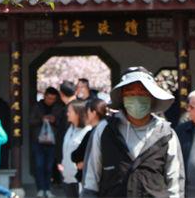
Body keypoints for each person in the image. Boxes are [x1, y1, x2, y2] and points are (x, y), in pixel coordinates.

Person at [82, 66, 184, 198]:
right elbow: (90, 180)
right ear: (122, 98)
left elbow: (175, 185)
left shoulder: (166, 134)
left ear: (152, 97)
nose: (136, 98)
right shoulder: (104, 130)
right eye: (130, 93)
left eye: (142, 93)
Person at [31, 86, 61, 198]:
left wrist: (54, 120)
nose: (50, 101)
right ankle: (40, 189)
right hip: (38, 141)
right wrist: (41, 119)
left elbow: (62, 123)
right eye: (49, 98)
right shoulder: (37, 106)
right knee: (39, 166)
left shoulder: (58, 108)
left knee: (49, 167)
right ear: (44, 96)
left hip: (52, 141)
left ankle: (48, 189)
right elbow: (30, 121)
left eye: (53, 99)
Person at [71, 98, 107, 188]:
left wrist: (85, 162)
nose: (85, 114)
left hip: (93, 180)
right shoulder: (108, 129)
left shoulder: (93, 132)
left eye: (87, 111)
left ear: (93, 113)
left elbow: (76, 155)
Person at [60, 100, 91, 198]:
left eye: (70, 111)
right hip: (67, 176)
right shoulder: (70, 129)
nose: (67, 113)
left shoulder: (88, 131)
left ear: (78, 113)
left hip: (79, 177)